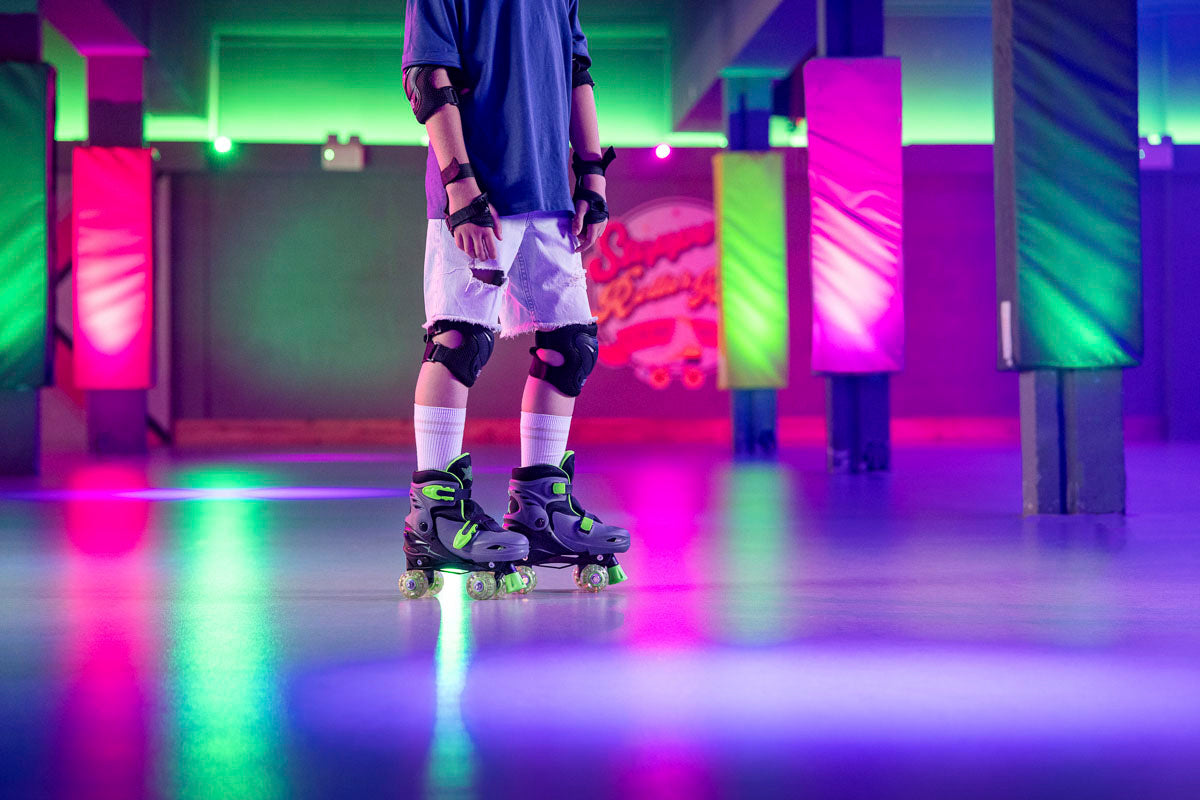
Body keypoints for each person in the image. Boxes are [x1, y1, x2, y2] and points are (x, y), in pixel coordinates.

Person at [398, 0, 630, 601]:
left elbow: (577, 68)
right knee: (458, 342)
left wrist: (592, 175)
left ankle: (540, 508)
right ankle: (435, 515)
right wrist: (459, 185)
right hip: (480, 190)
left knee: (571, 348)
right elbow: (426, 76)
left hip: (552, 191)